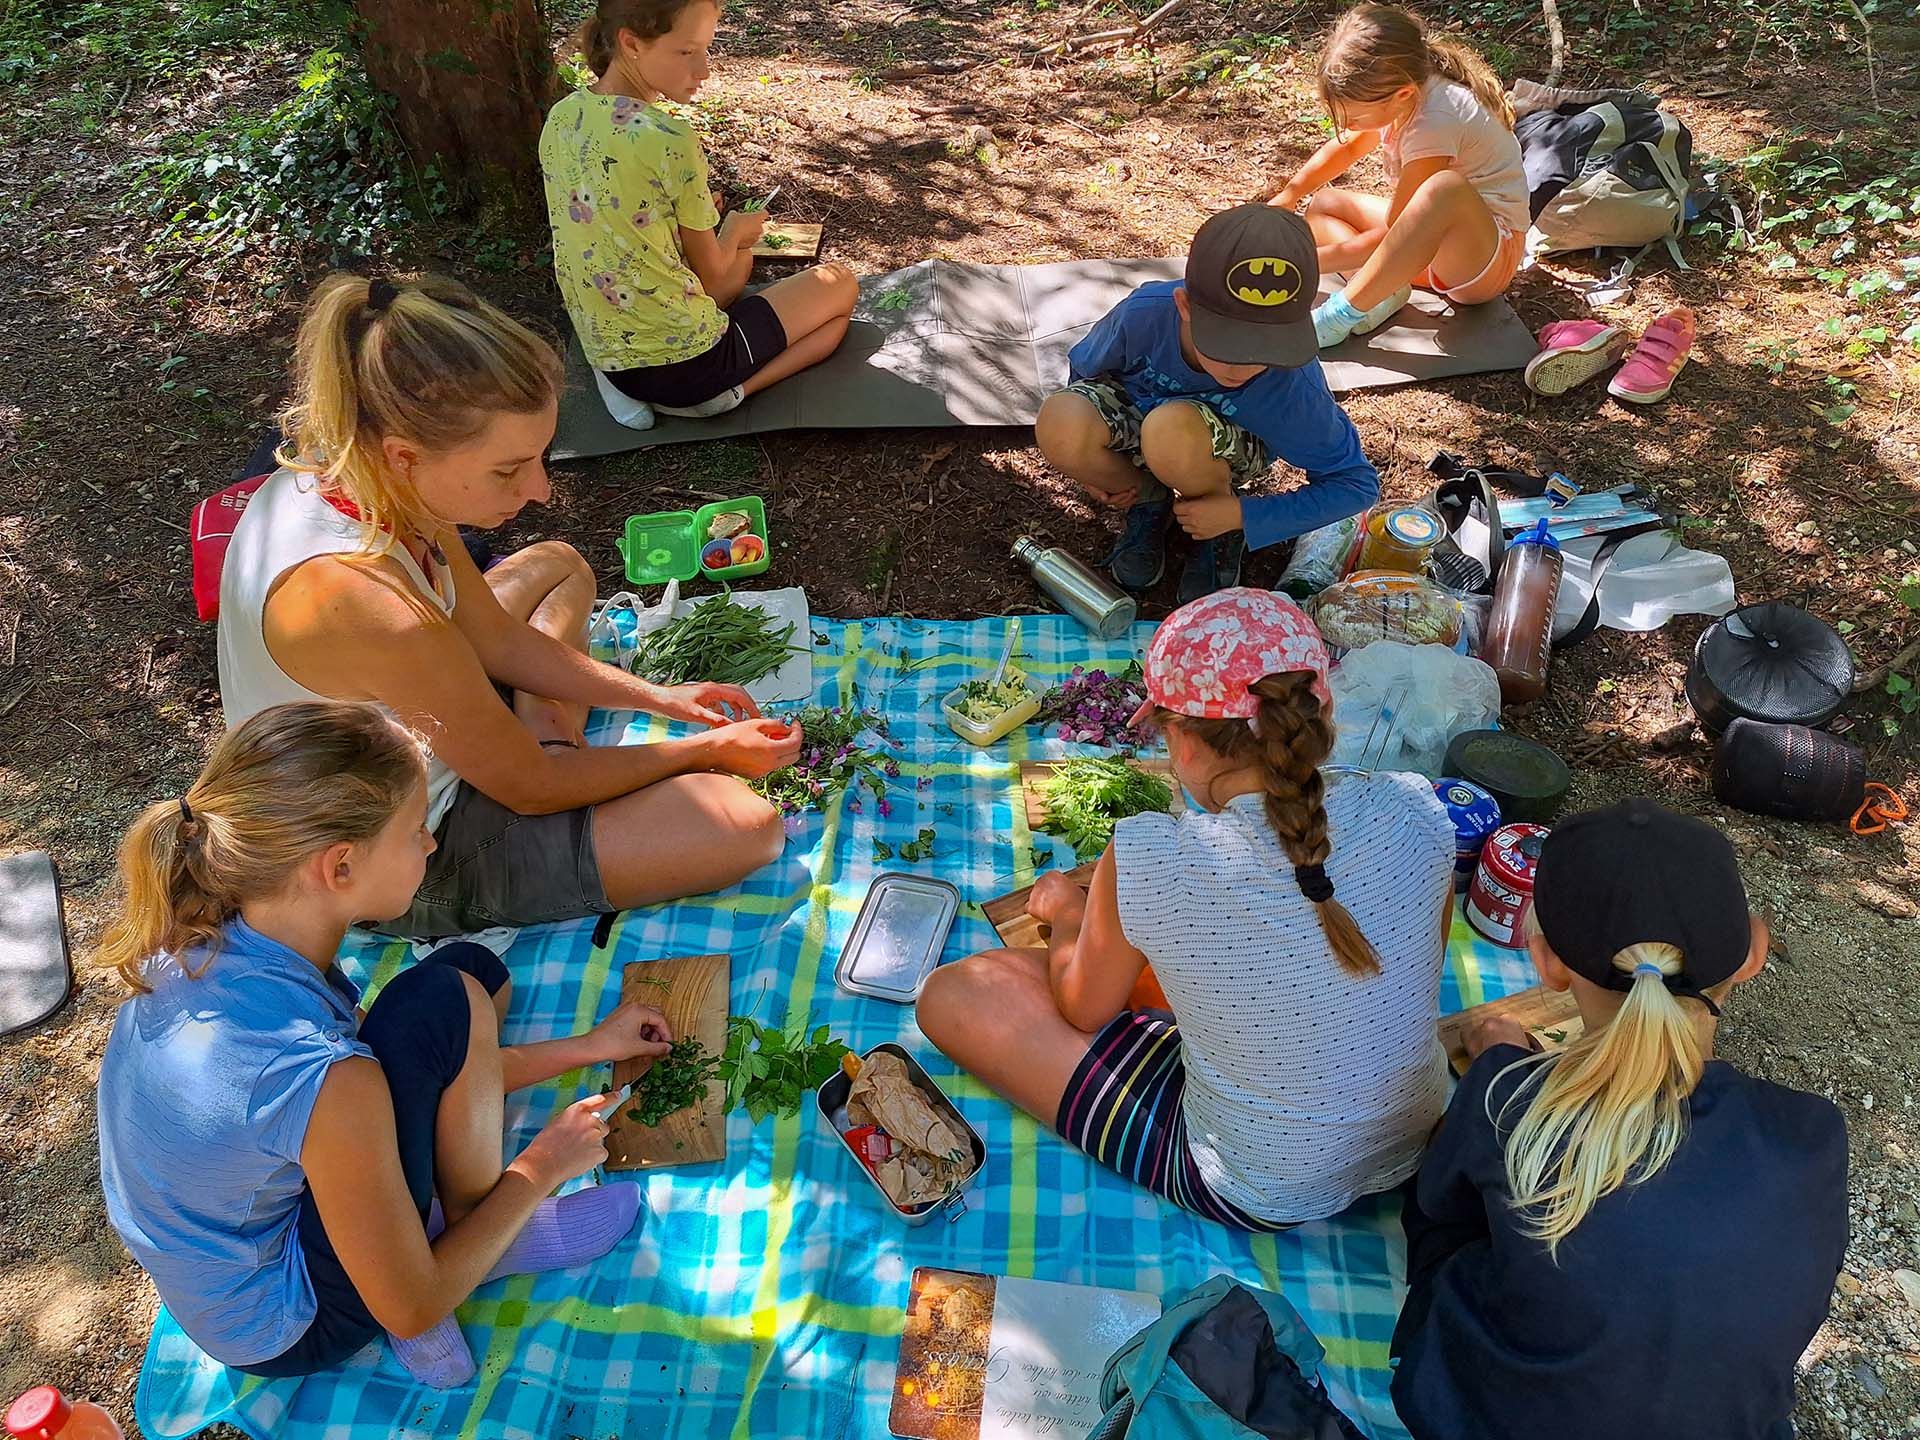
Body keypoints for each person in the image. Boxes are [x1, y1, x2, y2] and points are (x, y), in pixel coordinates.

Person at [97, 702, 676, 1387]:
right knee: (445, 998)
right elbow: (408, 1305)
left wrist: (587, 1045)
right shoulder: (325, 1076)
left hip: (232, 1245)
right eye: (416, 830)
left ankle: (432, 1228)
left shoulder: (211, 937)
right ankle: (475, 1236)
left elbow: (427, 1078)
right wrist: (542, 1166)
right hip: (290, 1324)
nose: (430, 845)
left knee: (471, 978)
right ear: (339, 867)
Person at [219, 272, 801, 939]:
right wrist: (706, 750)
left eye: (539, 458)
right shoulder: (369, 604)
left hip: (425, 719)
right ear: (405, 458)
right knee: (746, 826)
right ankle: (552, 740)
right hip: (399, 856)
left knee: (559, 564)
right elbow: (529, 789)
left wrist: (663, 699)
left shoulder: (372, 470)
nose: (541, 489)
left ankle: (551, 737)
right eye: (508, 470)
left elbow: (494, 637)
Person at [918, 590, 1456, 1230]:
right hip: (1418, 1137)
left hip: (1262, 1187)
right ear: (1323, 709)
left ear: (1188, 748)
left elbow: (1084, 1008)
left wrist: (1067, 912)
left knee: (952, 996)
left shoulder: (1149, 854)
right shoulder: (1418, 808)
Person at [1391, 799, 1848, 1440]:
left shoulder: (1507, 1103)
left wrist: (1497, 1065)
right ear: (1754, 952)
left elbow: (1439, 1215)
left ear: (1545, 963)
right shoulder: (1814, 1137)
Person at [1035, 204, 1379, 602]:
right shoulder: (1143, 315)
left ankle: (1218, 529)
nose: (1243, 365)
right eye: (1225, 344)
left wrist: (1240, 515)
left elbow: (1355, 484)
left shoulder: (1293, 381)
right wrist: (1098, 469)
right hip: (1141, 426)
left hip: (1210, 454)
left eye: (1267, 347)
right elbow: (1085, 376)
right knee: (1060, 420)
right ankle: (1149, 502)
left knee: (1170, 428)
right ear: (1184, 307)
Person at [540, 0, 859, 419]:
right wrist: (734, 231)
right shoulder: (669, 137)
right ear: (631, 43)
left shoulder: (562, 118)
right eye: (687, 52)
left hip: (607, 345)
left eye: (705, 49)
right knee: (841, 287)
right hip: (690, 368)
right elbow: (712, 274)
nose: (704, 70)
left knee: (743, 266)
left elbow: (605, 222)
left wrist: (713, 232)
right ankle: (730, 393)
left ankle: (617, 384)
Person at [1267, 4, 1529, 348]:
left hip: (1485, 262)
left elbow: (1395, 233)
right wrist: (1290, 194)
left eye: (1355, 118)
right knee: (1325, 202)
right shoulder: (1405, 92)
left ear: (1401, 94)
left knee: (1444, 189)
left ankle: (1342, 313)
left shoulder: (1436, 117)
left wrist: (1300, 264)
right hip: (1438, 249)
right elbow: (1347, 148)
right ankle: (1380, 290)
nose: (1348, 127)